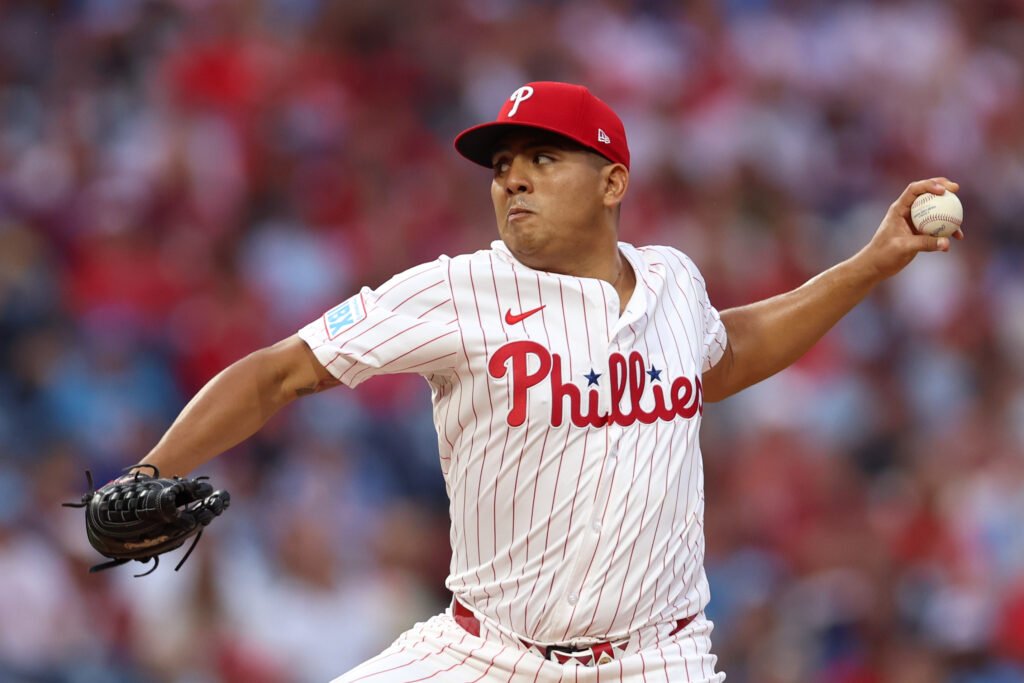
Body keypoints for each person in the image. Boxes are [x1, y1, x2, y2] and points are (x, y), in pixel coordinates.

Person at [135, 81, 962, 681]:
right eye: (502, 165)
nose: (512, 178)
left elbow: (728, 351)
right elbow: (281, 371)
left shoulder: (673, 280)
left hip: (655, 658)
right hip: (482, 651)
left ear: (613, 182)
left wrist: (871, 262)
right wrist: (153, 470)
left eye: (542, 156)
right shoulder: (455, 289)